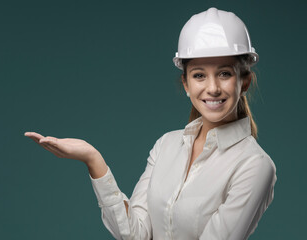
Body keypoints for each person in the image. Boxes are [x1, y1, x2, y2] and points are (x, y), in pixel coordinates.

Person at [24, 7, 277, 240]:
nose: (212, 88)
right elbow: (135, 233)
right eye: (199, 75)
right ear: (187, 85)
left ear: (244, 82)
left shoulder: (255, 166)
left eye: (224, 73)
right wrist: (93, 159)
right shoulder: (166, 145)